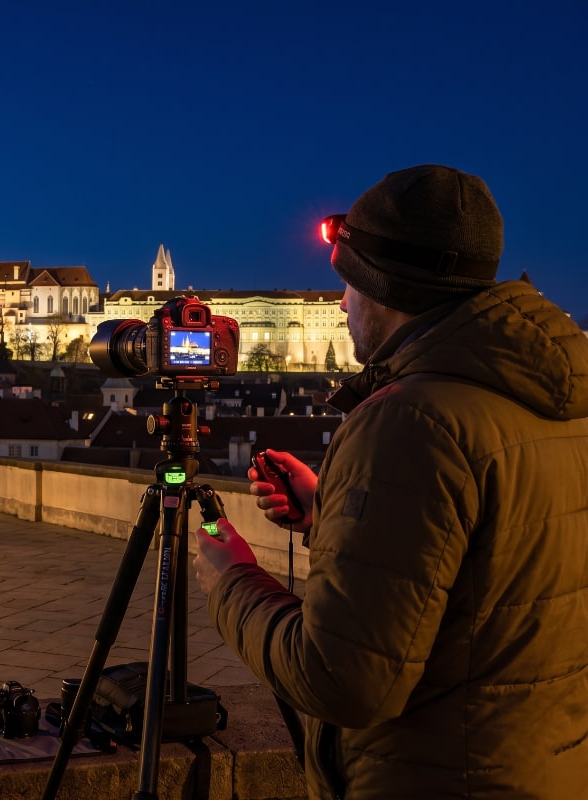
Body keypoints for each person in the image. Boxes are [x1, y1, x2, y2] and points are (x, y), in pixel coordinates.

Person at [193, 164, 588, 799]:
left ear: (385, 289)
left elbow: (341, 680)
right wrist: (333, 511)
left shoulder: (411, 420)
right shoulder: (559, 405)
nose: (342, 302)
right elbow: (498, 573)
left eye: (349, 285)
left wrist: (229, 578)